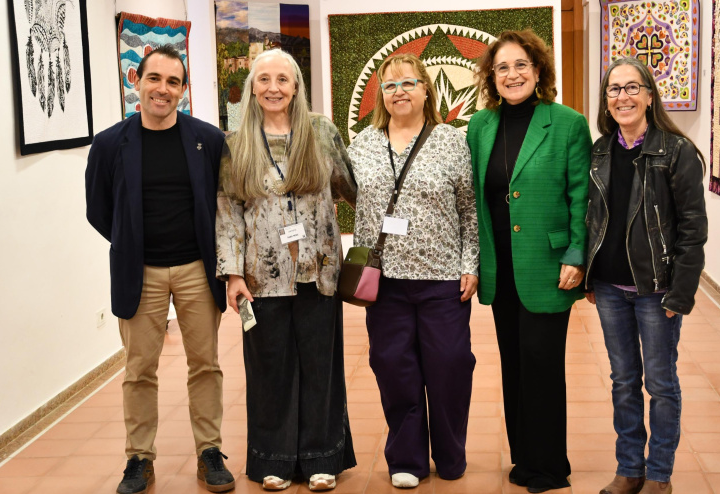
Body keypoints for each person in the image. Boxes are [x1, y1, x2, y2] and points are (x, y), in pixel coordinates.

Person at [85, 45, 235, 494]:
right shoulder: (111, 143)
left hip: (195, 270)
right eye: (155, 79)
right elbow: (99, 210)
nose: (163, 90)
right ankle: (138, 459)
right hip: (140, 273)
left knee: (205, 365)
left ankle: (210, 452)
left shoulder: (208, 140)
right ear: (136, 81)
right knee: (138, 370)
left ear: (183, 89)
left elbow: (223, 206)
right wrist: (132, 244)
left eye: (173, 82)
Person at [215, 48, 357, 492]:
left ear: (296, 85)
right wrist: (233, 274)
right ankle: (272, 458)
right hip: (260, 278)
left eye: (282, 79)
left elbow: (352, 190)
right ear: (251, 89)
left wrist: (371, 250)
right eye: (264, 80)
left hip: (318, 273)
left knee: (320, 366)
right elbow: (228, 213)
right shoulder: (235, 145)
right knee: (269, 369)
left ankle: (321, 457)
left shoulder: (322, 133)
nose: (273, 87)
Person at [467, 29, 592, 493]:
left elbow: (581, 196)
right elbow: (477, 200)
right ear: (491, 77)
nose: (512, 74)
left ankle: (548, 466)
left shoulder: (566, 123)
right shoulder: (480, 127)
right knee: (513, 363)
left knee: (541, 362)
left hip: (549, 264)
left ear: (537, 71)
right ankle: (522, 456)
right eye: (502, 67)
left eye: (521, 65)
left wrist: (577, 254)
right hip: (501, 266)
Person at [347, 53, 479, 489]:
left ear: (426, 89)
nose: (398, 91)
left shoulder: (451, 141)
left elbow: (469, 209)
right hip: (383, 282)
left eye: (408, 83)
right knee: (393, 368)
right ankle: (407, 459)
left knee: (451, 367)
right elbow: (348, 198)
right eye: (389, 85)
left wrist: (470, 264)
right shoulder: (362, 144)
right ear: (380, 96)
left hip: (442, 277)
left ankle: (450, 453)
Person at [585, 57, 707, 494]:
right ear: (606, 101)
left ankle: (659, 476)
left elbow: (694, 231)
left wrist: (680, 295)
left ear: (650, 95)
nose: (623, 97)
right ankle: (629, 469)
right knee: (622, 381)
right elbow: (593, 219)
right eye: (614, 90)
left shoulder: (676, 152)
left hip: (657, 291)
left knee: (660, 384)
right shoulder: (599, 152)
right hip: (610, 290)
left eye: (632, 87)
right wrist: (591, 276)